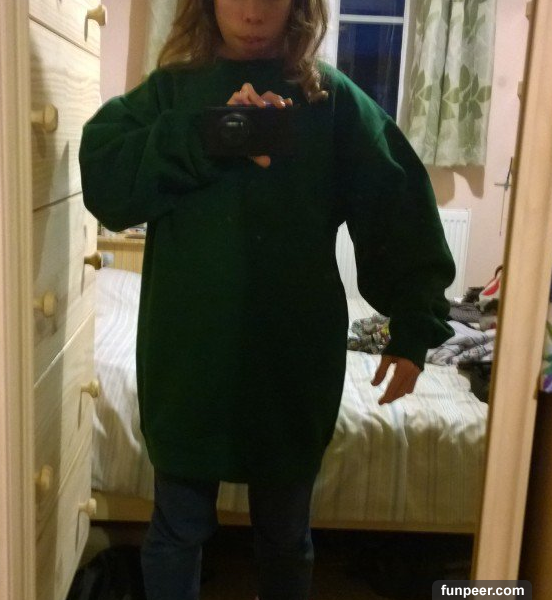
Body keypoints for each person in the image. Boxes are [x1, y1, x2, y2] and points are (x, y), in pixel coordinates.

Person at [78, 0, 456, 598]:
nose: (253, 10)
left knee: (284, 535)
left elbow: (398, 206)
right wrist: (207, 132)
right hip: (188, 359)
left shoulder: (330, 102)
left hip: (291, 362)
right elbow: (106, 180)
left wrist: (415, 326)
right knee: (177, 528)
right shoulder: (171, 94)